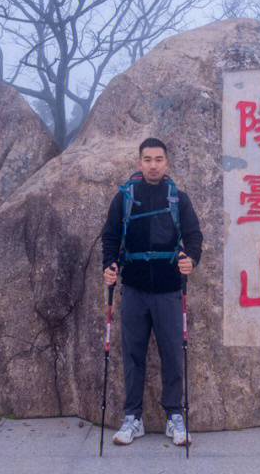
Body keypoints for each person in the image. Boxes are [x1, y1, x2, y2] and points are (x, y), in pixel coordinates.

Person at [101, 137, 203, 447]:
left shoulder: (178, 199)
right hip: (133, 288)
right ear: (139, 162)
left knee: (172, 353)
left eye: (158, 159)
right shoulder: (124, 198)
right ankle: (133, 417)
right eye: (147, 159)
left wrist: (191, 260)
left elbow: (194, 235)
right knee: (132, 354)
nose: (153, 165)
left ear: (167, 163)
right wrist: (109, 265)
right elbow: (110, 236)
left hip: (169, 290)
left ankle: (174, 415)